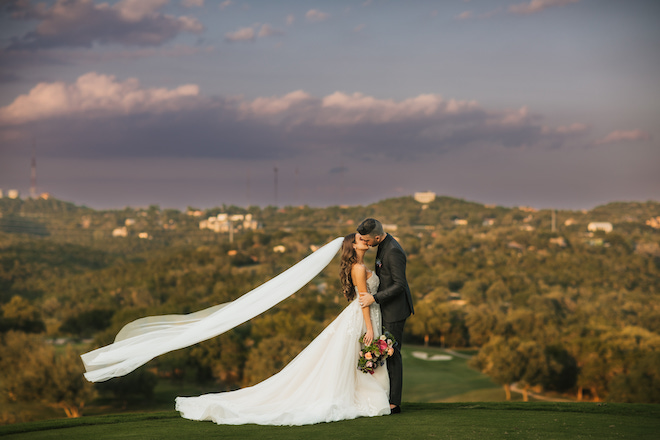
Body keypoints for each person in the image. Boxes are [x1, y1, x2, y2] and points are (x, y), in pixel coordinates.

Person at [174, 233, 391, 425]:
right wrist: (369, 328)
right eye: (360, 240)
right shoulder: (359, 269)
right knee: (354, 355)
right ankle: (358, 396)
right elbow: (364, 300)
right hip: (363, 317)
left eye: (365, 239)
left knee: (354, 358)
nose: (365, 241)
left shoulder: (362, 266)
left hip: (364, 315)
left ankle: (359, 393)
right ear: (352, 246)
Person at [356, 218, 414, 414]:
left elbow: (399, 285)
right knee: (387, 353)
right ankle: (386, 394)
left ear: (378, 237)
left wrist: (375, 298)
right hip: (385, 308)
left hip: (395, 311)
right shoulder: (382, 245)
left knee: (393, 353)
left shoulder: (393, 251)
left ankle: (394, 403)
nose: (365, 243)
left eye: (367, 240)